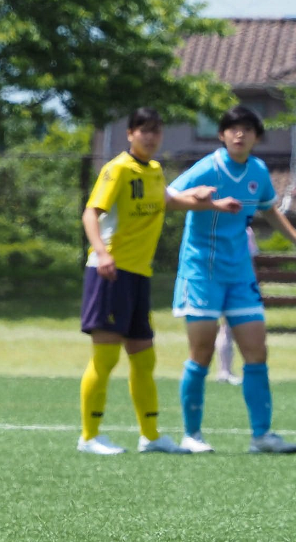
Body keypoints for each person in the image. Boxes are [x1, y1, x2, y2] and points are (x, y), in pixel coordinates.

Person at [78, 107, 233, 456]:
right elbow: (91, 212)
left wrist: (213, 204)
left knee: (144, 359)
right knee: (105, 358)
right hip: (110, 273)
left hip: (138, 275)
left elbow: (168, 201)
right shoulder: (117, 168)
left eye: (156, 131)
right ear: (130, 133)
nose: (150, 136)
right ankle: (89, 436)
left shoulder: (154, 171)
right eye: (143, 130)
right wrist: (102, 253)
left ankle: (151, 436)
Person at [171, 105, 296, 454]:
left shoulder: (258, 170)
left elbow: (269, 207)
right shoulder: (208, 168)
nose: (240, 134)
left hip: (239, 273)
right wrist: (209, 203)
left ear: (256, 136)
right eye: (233, 128)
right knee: (202, 353)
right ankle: (191, 435)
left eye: (247, 129)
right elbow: (167, 198)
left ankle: (262, 436)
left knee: (256, 350)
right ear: (222, 135)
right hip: (201, 273)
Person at [214, 226, 257, 385]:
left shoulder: (243, 230)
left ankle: (226, 370)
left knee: (229, 328)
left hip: (228, 283)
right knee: (227, 328)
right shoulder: (243, 230)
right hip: (231, 283)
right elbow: (250, 261)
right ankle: (224, 371)